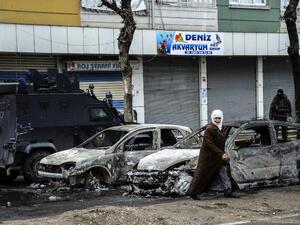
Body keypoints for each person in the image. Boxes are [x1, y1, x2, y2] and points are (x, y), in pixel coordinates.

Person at [187, 109, 238, 199]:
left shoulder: (221, 128)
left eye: (219, 118)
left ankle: (228, 190)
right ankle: (193, 193)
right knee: (202, 175)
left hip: (218, 156)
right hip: (208, 157)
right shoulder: (210, 128)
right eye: (215, 118)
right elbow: (210, 144)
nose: (217, 120)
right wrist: (221, 153)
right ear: (212, 118)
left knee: (224, 172)